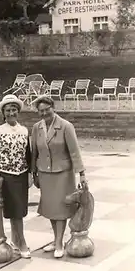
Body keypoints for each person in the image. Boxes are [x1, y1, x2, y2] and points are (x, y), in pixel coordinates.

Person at [30, 95, 88, 258]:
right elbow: (34, 152)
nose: (44, 113)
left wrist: (82, 174)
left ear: (53, 108)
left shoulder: (65, 126)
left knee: (61, 208)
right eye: (41, 111)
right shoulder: (36, 128)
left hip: (63, 173)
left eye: (47, 110)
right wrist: (33, 173)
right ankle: (56, 240)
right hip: (44, 173)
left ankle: (59, 243)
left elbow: (75, 152)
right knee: (50, 207)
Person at [0, 94, 32, 259]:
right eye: (8, 110)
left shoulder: (24, 130)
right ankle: (22, 242)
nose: (11, 113)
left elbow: (28, 154)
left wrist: (31, 174)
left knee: (19, 210)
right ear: (3, 113)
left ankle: (16, 240)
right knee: (14, 211)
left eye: (14, 109)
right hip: (7, 176)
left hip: (22, 174)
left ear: (18, 111)